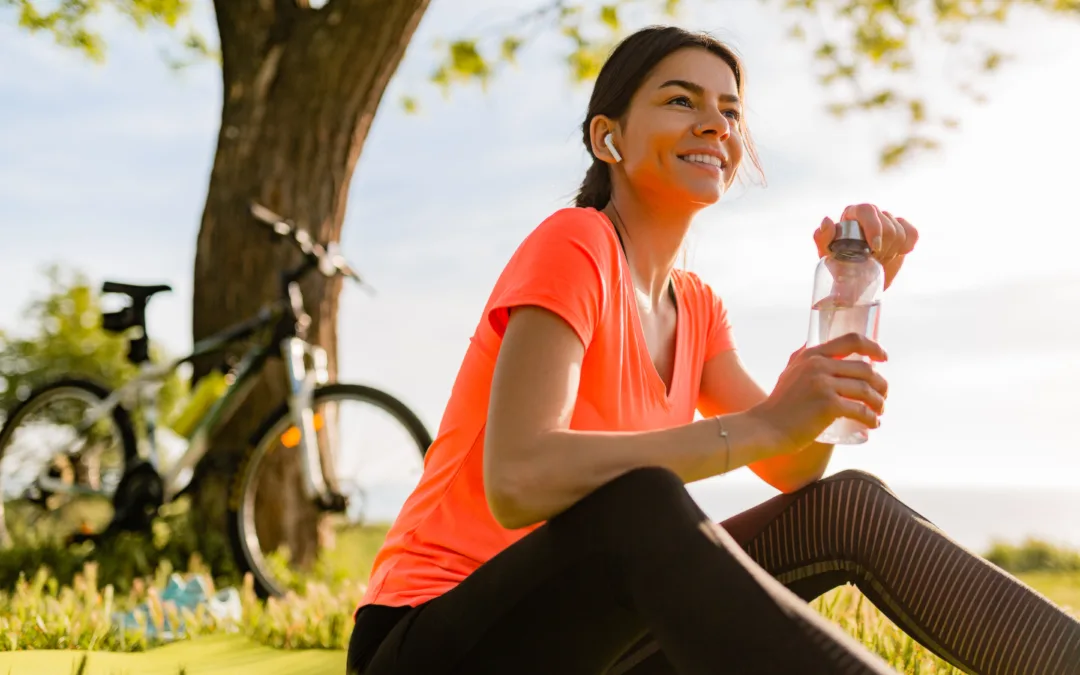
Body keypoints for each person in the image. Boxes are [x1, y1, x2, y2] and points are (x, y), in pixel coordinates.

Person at [345, 25, 1080, 675]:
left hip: (594, 644)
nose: (716, 125)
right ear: (610, 139)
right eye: (680, 101)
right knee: (642, 497)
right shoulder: (576, 243)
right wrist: (759, 427)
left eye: (730, 110)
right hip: (432, 639)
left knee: (843, 504)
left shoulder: (697, 306)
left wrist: (849, 300)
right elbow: (519, 476)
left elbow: (792, 463)